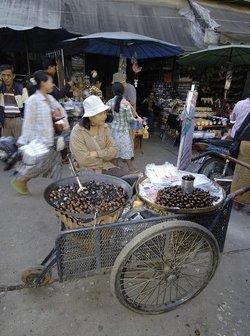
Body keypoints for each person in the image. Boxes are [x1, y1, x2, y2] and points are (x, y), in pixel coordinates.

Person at [11, 70, 69, 195]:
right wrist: (23, 141)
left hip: (52, 139)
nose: (52, 84)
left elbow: (60, 110)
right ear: (43, 83)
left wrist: (64, 121)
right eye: (51, 82)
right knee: (40, 165)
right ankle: (22, 180)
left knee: (56, 164)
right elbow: (28, 122)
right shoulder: (33, 100)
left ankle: (58, 188)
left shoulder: (50, 98)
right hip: (40, 140)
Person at [70, 95, 123, 175]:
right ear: (90, 116)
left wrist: (96, 153)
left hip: (106, 167)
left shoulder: (104, 127)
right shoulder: (78, 132)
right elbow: (83, 159)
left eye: (105, 113)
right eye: (100, 114)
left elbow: (114, 150)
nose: (104, 116)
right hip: (85, 171)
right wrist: (105, 156)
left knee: (128, 181)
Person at [107, 82, 137, 173]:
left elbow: (104, 110)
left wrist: (111, 113)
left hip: (114, 130)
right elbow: (130, 119)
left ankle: (115, 168)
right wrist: (136, 120)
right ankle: (131, 169)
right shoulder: (126, 104)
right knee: (127, 150)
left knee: (115, 149)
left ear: (113, 91)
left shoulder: (110, 101)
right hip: (123, 131)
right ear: (123, 91)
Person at [0, 64, 28, 138]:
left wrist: (23, 120)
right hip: (5, 120)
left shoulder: (21, 88)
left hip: (18, 120)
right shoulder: (1, 89)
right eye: (3, 75)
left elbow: (26, 106)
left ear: (13, 76)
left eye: (9, 75)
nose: (6, 78)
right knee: (5, 145)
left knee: (19, 145)